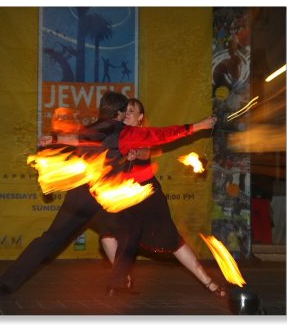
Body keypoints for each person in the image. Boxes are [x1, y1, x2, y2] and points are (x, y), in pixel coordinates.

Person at [0, 91, 215, 297]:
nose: (126, 115)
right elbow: (162, 135)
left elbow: (75, 139)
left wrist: (52, 138)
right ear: (118, 113)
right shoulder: (125, 133)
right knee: (132, 230)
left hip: (80, 197)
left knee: (50, 239)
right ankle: (119, 280)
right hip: (104, 198)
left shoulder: (91, 128)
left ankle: (5, 284)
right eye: (124, 111)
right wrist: (198, 126)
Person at [89, 98, 226, 297]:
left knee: (173, 241)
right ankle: (122, 277)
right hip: (122, 194)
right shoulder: (115, 134)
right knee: (108, 235)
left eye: (132, 111)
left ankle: (208, 282)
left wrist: (199, 126)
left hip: (147, 198)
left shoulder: (141, 135)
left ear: (140, 118)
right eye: (124, 110)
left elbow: (157, 141)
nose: (126, 113)